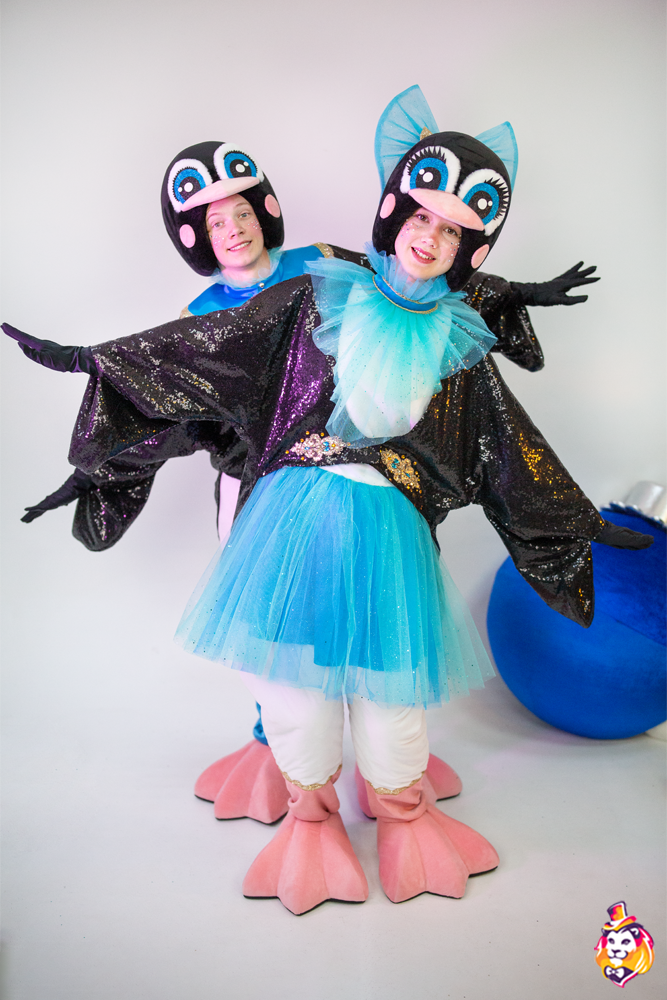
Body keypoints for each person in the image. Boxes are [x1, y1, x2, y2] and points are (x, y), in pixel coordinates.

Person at [13, 117, 602, 830]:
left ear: (265, 210)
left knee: (373, 614)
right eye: (213, 220)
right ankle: (284, 748)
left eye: (240, 211)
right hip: (260, 476)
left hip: (368, 477)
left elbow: (418, 284)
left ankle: (385, 767)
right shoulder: (207, 315)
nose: (232, 229)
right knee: (272, 622)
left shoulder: (322, 269)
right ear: (192, 236)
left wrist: (515, 292)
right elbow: (171, 379)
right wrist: (97, 441)